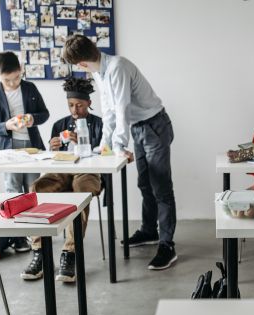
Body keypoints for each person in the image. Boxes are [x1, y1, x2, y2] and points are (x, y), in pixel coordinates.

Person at [62, 35, 177, 270]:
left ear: (81, 63)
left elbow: (122, 108)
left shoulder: (117, 67)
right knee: (144, 183)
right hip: (139, 127)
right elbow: (109, 112)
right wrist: (105, 145)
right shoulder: (99, 72)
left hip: (154, 125)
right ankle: (149, 231)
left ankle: (167, 245)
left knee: (161, 187)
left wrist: (118, 145)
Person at [21, 77, 102, 281]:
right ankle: (39, 251)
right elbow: (52, 159)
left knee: (80, 191)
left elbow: (106, 153)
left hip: (89, 172)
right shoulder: (59, 124)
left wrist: (85, 144)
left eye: (79, 105)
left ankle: (70, 253)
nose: (74, 110)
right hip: (62, 169)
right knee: (38, 187)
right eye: (71, 105)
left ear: (89, 103)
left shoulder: (100, 124)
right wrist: (54, 147)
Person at [0, 51, 49, 253]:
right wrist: (6, 125)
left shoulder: (30, 88)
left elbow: (44, 113)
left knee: (32, 190)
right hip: (8, 150)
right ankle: (19, 237)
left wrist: (32, 118)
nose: (13, 83)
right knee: (13, 191)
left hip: (31, 148)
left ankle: (35, 236)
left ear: (21, 70)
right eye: (7, 79)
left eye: (16, 78)